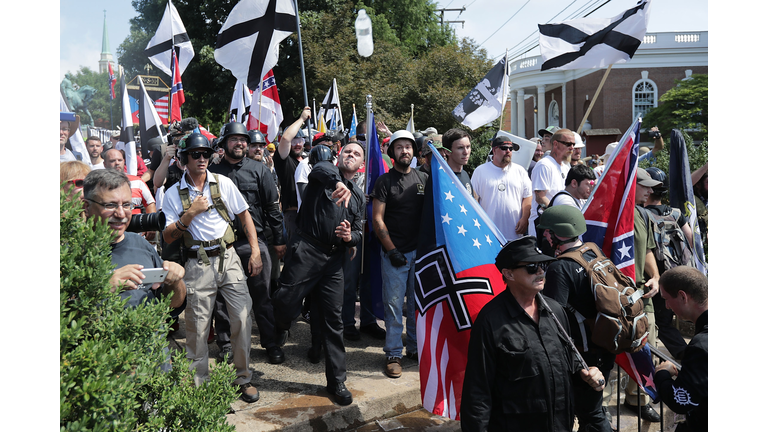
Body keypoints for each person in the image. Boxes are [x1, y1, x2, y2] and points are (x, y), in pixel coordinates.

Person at [461, 236, 606, 431]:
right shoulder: (490, 321)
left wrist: (587, 374)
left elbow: (569, 361)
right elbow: (477, 391)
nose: (540, 271)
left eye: (542, 265)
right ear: (509, 274)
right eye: (531, 267)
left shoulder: (555, 310)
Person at [161, 132, 263, 403]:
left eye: (206, 154)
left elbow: (244, 215)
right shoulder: (172, 194)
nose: (203, 158)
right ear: (184, 159)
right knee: (197, 327)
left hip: (228, 257)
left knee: (242, 317)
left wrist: (254, 251)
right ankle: (201, 388)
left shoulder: (223, 182)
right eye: (196, 154)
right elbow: (168, 235)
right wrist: (190, 214)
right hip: (197, 262)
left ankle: (243, 378)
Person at [271, 141, 366, 406]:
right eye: (347, 151)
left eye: (357, 154)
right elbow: (320, 169)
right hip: (306, 252)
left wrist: (350, 237)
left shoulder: (358, 195)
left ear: (362, 164)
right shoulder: (324, 175)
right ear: (339, 156)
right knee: (285, 302)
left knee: (334, 322)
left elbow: (359, 230)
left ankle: (336, 380)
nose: (351, 155)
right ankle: (280, 326)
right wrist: (337, 183)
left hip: (333, 261)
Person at [209, 122, 287, 365]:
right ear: (224, 144)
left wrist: (278, 240)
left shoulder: (260, 170)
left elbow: (272, 208)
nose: (240, 143)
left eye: (243, 139)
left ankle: (270, 343)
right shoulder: (212, 172)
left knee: (262, 296)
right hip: (221, 246)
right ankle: (225, 345)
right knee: (221, 300)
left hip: (254, 242)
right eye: (234, 139)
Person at [537, 205, 615, 431]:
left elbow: (553, 315)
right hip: (605, 346)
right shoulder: (592, 250)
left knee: (590, 414)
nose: (544, 235)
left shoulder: (561, 268)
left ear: (558, 234)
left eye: (547, 231)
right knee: (593, 408)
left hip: (585, 356)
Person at [82, 169, 185, 310]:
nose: (121, 214)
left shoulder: (140, 243)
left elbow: (172, 304)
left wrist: (174, 282)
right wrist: (104, 287)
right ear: (86, 207)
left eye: (126, 205)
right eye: (110, 205)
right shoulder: (71, 253)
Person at [371, 130, 428, 378]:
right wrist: (391, 249)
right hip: (395, 255)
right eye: (399, 147)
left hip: (421, 254)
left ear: (414, 151)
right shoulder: (384, 182)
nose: (404, 151)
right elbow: (377, 219)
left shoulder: (424, 179)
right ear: (391, 152)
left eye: (408, 147)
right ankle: (393, 353)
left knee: (417, 305)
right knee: (394, 306)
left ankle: (415, 349)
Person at [624, 167, 663, 421]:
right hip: (616, 293)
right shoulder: (615, 213)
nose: (651, 191)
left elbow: (647, 249)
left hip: (642, 294)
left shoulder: (643, 213)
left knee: (647, 343)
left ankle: (637, 397)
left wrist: (657, 277)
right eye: (645, 186)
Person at [655, 266, 708, 432]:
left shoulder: (701, 345)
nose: (667, 306)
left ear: (682, 296)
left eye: (666, 299)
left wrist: (662, 374)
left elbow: (681, 401)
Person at [471, 136, 532, 242]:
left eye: (511, 148)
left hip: (514, 234)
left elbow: (527, 197)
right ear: (494, 150)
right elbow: (474, 199)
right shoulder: (480, 171)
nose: (508, 151)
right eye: (504, 148)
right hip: (489, 235)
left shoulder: (520, 171)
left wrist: (525, 218)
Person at [528, 128, 573, 236]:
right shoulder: (544, 165)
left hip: (559, 225)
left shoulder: (566, 166)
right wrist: (560, 216)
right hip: (544, 226)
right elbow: (540, 197)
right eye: (568, 144)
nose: (571, 148)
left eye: (573, 144)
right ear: (556, 144)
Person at [275, 107, 312, 240]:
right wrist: (302, 119)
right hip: (294, 213)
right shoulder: (284, 160)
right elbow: (285, 139)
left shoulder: (308, 160)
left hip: (311, 212)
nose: (297, 145)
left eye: (300, 141)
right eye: (294, 141)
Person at [103, 149, 156, 216]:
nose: (117, 163)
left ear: (124, 161)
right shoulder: (99, 184)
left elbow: (150, 203)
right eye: (112, 161)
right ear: (104, 164)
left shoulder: (137, 182)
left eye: (120, 160)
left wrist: (151, 224)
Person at [442, 128, 475, 197]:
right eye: (460, 148)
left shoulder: (465, 175)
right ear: (447, 151)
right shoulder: (441, 178)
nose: (466, 152)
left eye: (468, 147)